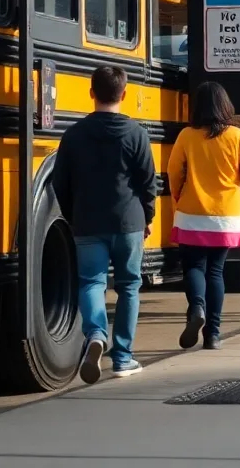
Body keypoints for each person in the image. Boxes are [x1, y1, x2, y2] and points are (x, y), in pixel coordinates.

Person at [52, 65, 156, 384]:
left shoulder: (73, 135)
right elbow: (148, 183)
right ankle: (123, 358)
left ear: (91, 92)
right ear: (123, 94)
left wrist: (72, 216)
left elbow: (60, 182)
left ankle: (96, 334)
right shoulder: (136, 133)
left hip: (87, 222)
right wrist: (147, 217)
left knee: (91, 283)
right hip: (129, 223)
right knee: (128, 287)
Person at [169, 81, 240, 350]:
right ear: (225, 106)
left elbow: (174, 172)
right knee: (216, 271)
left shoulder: (187, 136)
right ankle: (213, 333)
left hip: (192, 212)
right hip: (227, 215)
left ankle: (196, 308)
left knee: (193, 267)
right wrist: (238, 177)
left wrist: (179, 196)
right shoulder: (235, 136)